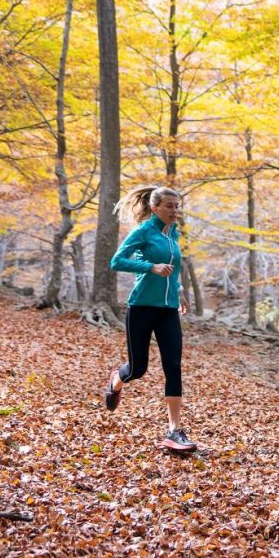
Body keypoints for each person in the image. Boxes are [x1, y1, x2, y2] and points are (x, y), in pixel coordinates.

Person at [105, 185, 196, 451]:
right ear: (155, 208)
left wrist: (178, 289)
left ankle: (174, 431)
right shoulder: (144, 231)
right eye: (169, 206)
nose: (174, 211)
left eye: (177, 206)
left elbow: (174, 268)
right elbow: (116, 261)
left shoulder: (173, 235)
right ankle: (116, 380)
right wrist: (150, 267)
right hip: (142, 307)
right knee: (138, 368)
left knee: (173, 366)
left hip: (168, 309)